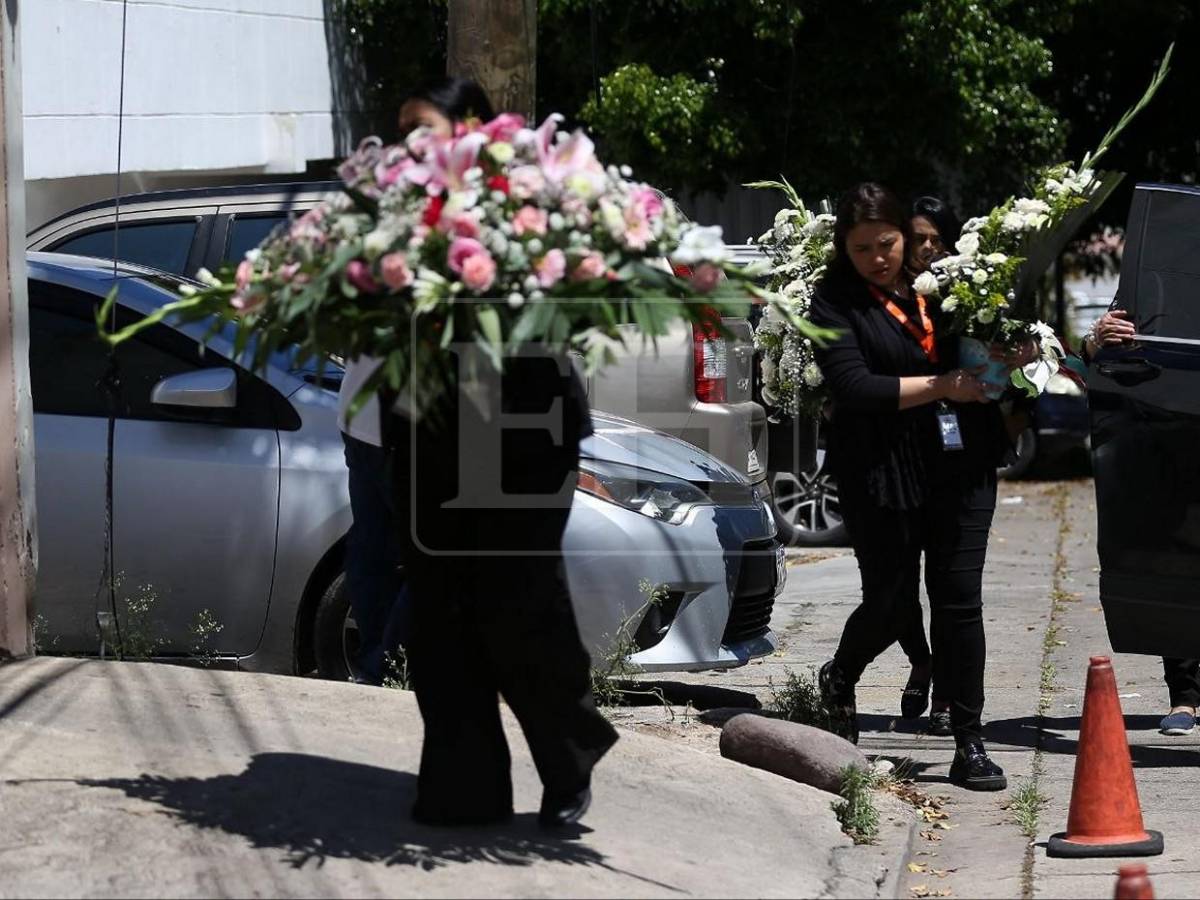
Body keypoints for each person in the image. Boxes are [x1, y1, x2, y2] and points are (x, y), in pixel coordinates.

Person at [811, 182, 1035, 791]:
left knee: (959, 599)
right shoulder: (834, 304)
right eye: (861, 249)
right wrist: (942, 386)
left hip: (961, 464)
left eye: (886, 244)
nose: (877, 258)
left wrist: (1010, 354)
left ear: (905, 237)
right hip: (881, 471)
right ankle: (840, 675)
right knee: (889, 601)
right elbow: (855, 388)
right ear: (844, 249)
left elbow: (982, 354)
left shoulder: (947, 291)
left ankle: (969, 741)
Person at [1080, 306, 1200, 736]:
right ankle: (1185, 695)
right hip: (1176, 424)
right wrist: (1097, 339)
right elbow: (1098, 351)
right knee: (1181, 559)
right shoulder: (1162, 276)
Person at [893, 196, 965, 736]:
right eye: (917, 239)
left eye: (936, 239)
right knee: (894, 586)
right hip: (893, 456)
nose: (926, 250)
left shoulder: (967, 297)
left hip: (951, 458)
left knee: (947, 585)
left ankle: (945, 695)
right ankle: (921, 657)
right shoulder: (883, 297)